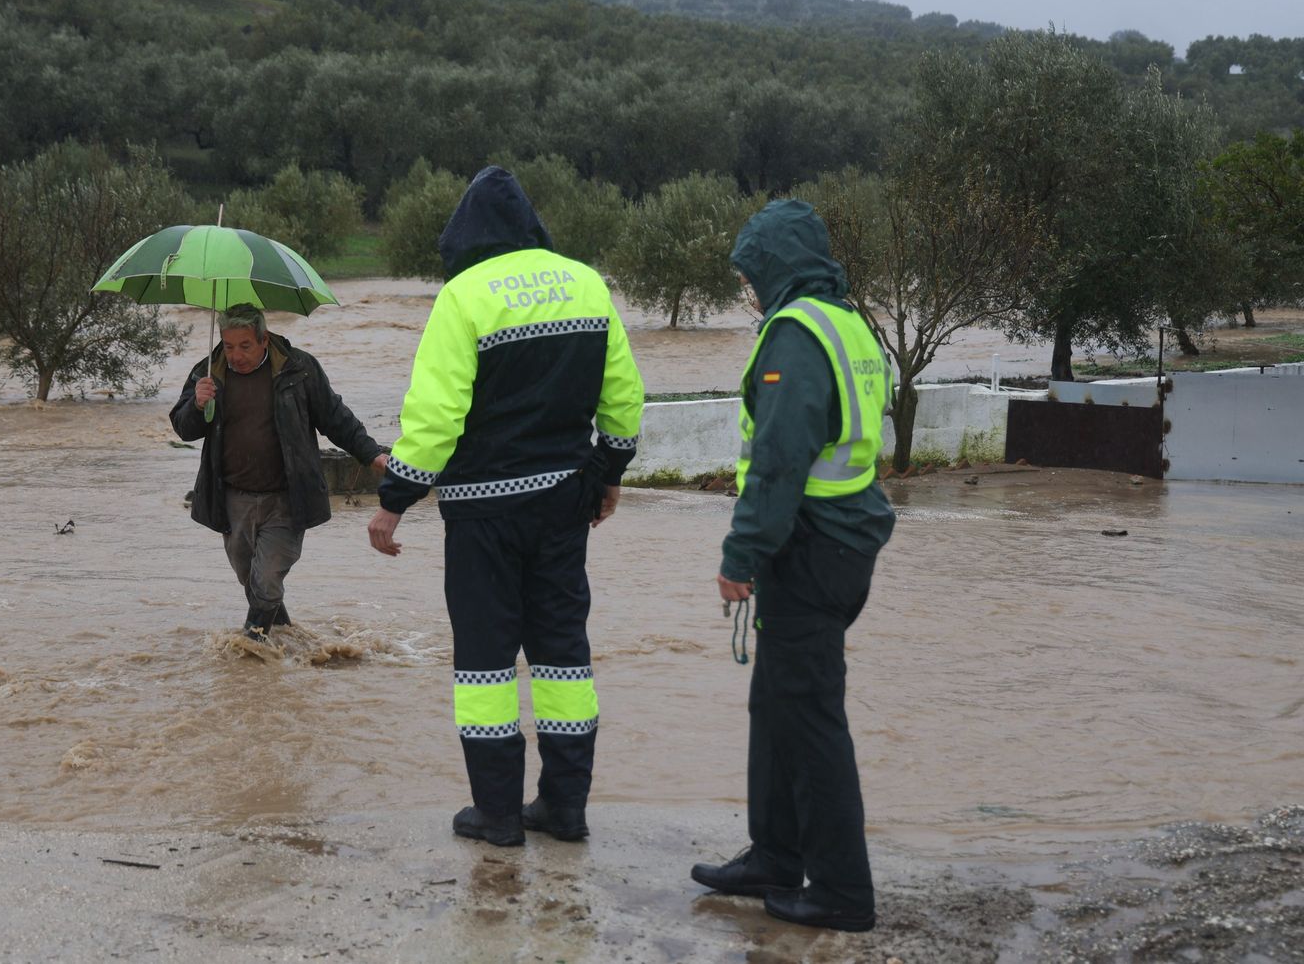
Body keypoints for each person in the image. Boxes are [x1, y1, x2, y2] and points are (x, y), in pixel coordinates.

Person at [367, 166, 644, 848]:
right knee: (562, 658)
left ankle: (496, 815)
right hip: (563, 509)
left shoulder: (462, 298)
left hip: (483, 516)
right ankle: (567, 809)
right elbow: (624, 401)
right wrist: (607, 475)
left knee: (486, 664)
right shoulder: (585, 282)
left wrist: (393, 503)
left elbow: (434, 420)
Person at [690, 200, 895, 933]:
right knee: (775, 704)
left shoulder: (797, 334)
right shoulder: (846, 321)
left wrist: (740, 555)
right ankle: (775, 856)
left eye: (748, 273)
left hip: (811, 546)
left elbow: (778, 462)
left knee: (809, 719)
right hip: (838, 540)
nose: (746, 287)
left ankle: (841, 892)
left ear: (773, 267)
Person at [170, 303, 387, 639]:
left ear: (264, 340)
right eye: (228, 346)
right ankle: (286, 638)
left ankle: (250, 646)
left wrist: (371, 453)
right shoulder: (208, 372)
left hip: (287, 498)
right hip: (233, 499)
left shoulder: (299, 369)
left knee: (267, 579)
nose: (235, 355)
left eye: (244, 346)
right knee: (250, 578)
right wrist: (197, 404)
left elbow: (335, 417)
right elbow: (184, 428)